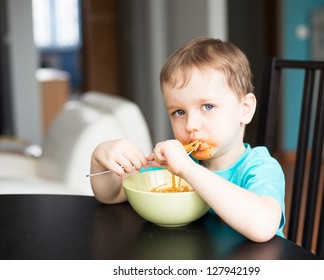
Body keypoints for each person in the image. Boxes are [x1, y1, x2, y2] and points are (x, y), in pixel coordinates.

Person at [90, 37, 285, 242]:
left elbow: (263, 226)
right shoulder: (176, 165)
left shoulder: (260, 167)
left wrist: (188, 170)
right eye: (179, 112)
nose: (190, 125)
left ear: (244, 109)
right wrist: (99, 158)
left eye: (207, 106)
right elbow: (111, 195)